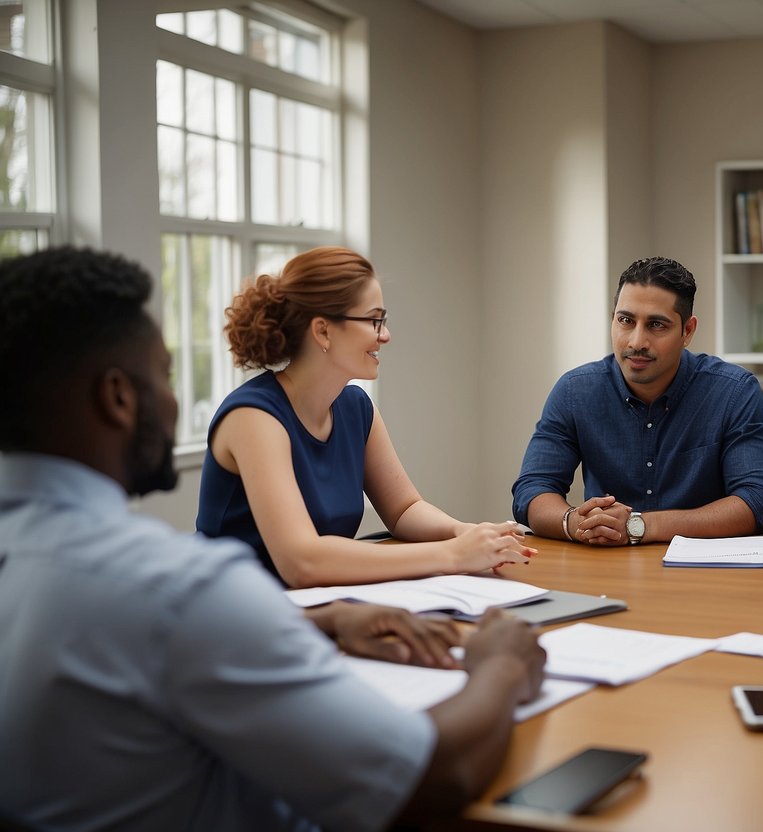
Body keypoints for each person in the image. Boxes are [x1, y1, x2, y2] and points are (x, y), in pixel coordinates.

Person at [0, 246, 546, 830]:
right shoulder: (186, 584)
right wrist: (502, 667)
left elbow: (403, 506)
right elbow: (427, 781)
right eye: (163, 374)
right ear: (116, 397)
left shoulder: (47, 562)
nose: (175, 400)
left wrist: (331, 618)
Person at [196, 246, 534, 587]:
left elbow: (403, 510)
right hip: (227, 611)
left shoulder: (356, 407)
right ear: (323, 331)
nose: (385, 335)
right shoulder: (254, 417)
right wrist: (453, 555)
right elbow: (302, 563)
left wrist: (465, 532)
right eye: (374, 320)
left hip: (308, 607)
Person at [511, 256, 763, 546]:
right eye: (625, 320)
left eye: (656, 325)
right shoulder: (576, 391)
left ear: (687, 331)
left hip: (702, 574)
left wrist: (638, 526)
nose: (636, 341)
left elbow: (758, 501)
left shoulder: (734, 392)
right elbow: (532, 489)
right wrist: (574, 522)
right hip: (603, 567)